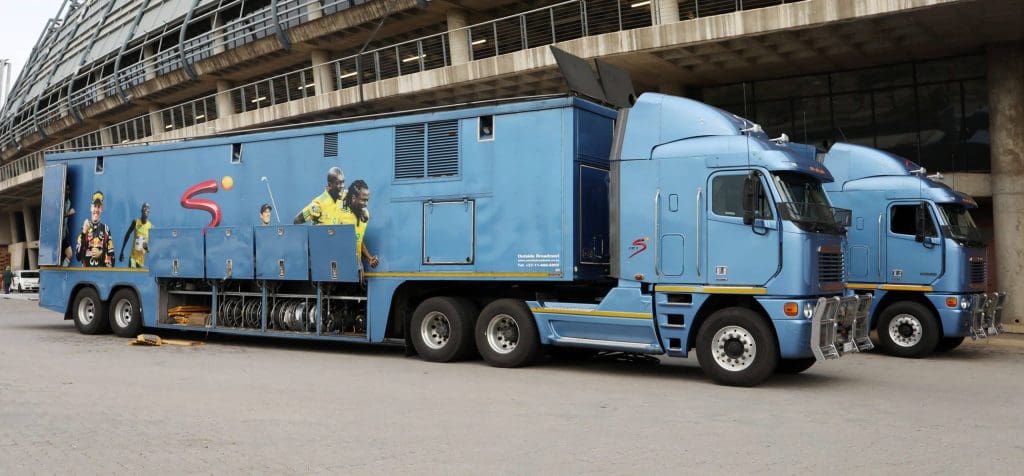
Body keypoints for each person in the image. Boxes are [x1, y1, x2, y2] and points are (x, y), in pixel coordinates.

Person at [340, 180, 379, 269]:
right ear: (354, 198)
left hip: (355, 267)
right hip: (339, 267)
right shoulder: (340, 212)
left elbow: (357, 240)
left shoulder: (364, 215)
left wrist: (369, 258)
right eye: (363, 200)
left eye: (367, 200)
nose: (366, 204)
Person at [76, 191, 115, 267]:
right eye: (94, 206)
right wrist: (84, 233)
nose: (96, 210)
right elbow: (78, 256)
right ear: (91, 208)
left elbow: (113, 260)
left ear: (102, 209)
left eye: (99, 207)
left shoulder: (106, 229)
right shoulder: (84, 228)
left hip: (101, 276)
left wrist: (101, 254)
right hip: (85, 275)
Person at [119, 203, 153, 268]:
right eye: (144, 207)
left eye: (148, 208)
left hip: (141, 262)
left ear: (149, 211)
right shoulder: (136, 222)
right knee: (132, 275)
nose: (146, 208)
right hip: (133, 259)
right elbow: (127, 234)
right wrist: (122, 251)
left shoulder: (150, 226)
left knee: (138, 277)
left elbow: (152, 247)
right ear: (141, 210)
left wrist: (147, 248)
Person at [62, 183, 76, 267]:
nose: (68, 191)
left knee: (70, 254)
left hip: (63, 236)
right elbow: (57, 218)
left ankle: (63, 269)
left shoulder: (68, 202)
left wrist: (66, 229)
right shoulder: (59, 201)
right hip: (56, 236)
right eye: (66, 189)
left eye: (68, 189)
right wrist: (69, 213)